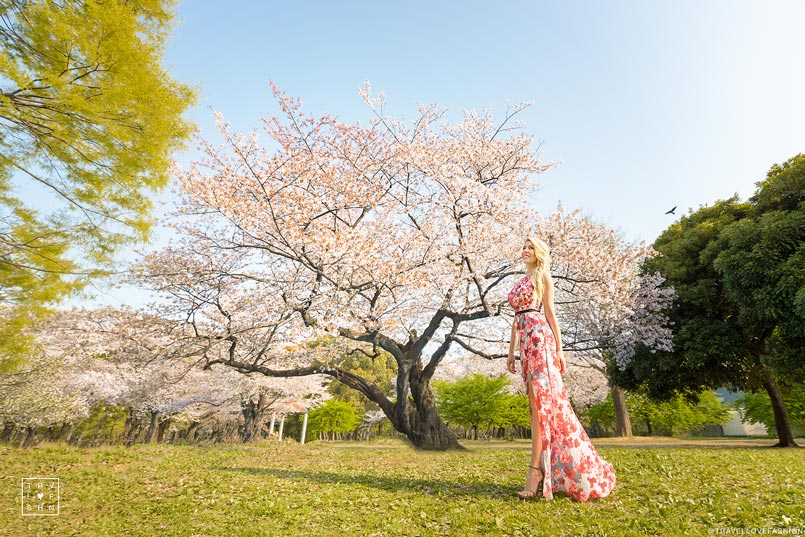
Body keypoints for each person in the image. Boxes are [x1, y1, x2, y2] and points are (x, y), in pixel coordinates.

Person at [506, 237, 616, 501]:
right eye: (524, 247)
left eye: (531, 247)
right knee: (535, 408)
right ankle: (543, 469)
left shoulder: (543, 277)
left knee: (545, 408)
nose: (525, 250)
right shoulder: (521, 280)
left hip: (541, 342)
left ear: (539, 253)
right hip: (526, 346)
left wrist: (559, 350)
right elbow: (516, 320)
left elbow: (550, 313)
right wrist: (511, 352)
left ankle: (535, 473)